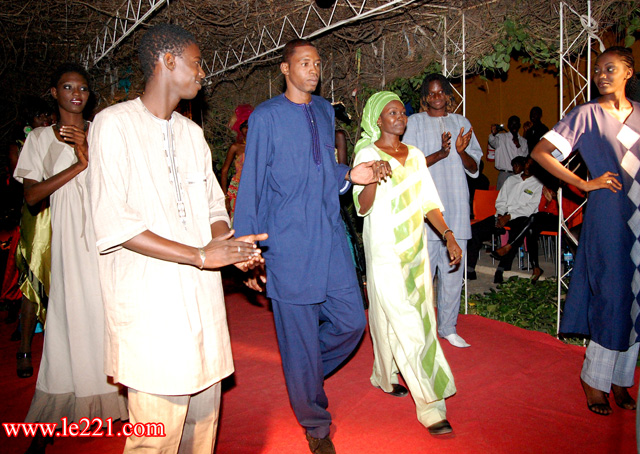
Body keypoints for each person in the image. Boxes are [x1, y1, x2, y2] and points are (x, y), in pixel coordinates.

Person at [88, 24, 266, 453]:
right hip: (151, 307)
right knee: (156, 440)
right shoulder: (113, 125)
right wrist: (202, 255)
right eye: (197, 63)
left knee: (200, 434)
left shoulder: (192, 134)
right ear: (167, 61)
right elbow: (116, 222)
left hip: (202, 304)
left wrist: (231, 249)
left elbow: (213, 208)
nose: (203, 73)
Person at [233, 39, 391, 454]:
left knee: (351, 322)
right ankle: (316, 425)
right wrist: (247, 250)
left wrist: (350, 174)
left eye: (317, 63)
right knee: (300, 335)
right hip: (286, 243)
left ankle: (302, 371)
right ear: (285, 69)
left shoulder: (323, 111)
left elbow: (323, 168)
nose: (313, 69)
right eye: (304, 63)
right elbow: (252, 185)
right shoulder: (266, 117)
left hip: (329, 235)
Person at [14, 63, 128, 452]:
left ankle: (125, 406)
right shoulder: (39, 139)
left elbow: (122, 187)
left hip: (105, 240)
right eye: (67, 87)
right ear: (54, 92)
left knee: (110, 318)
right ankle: (49, 418)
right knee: (66, 323)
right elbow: (32, 196)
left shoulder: (102, 131)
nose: (76, 94)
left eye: (82, 88)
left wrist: (90, 151)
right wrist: (79, 164)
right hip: (66, 246)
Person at [532, 46, 640, 416]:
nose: (602, 76)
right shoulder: (586, 115)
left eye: (611, 69)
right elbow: (541, 152)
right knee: (612, 294)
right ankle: (595, 379)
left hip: (639, 215)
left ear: (628, 72)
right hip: (608, 215)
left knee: (637, 296)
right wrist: (584, 182)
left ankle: (622, 378)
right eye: (598, 70)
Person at [353, 91, 460, 435]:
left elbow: (428, 202)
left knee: (396, 315)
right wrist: (372, 177)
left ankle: (383, 375)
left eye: (402, 112)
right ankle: (431, 405)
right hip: (385, 251)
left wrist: (448, 235)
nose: (400, 118)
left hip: (415, 251)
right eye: (392, 113)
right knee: (411, 325)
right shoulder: (367, 154)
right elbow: (362, 207)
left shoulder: (414, 155)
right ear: (377, 120)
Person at [403, 73, 482, 349]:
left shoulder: (462, 123)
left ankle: (448, 328)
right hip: (425, 212)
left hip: (456, 209)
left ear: (448, 95)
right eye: (431, 93)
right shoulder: (414, 123)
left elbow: (474, 168)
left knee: (452, 277)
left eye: (441, 92)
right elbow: (408, 166)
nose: (436, 97)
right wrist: (440, 153)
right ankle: (421, 331)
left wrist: (460, 152)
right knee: (422, 277)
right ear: (425, 97)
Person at [11, 97, 55, 379]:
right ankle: (25, 350)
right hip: (37, 216)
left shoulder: (61, 138)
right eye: (40, 117)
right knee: (33, 282)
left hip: (61, 214)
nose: (45, 121)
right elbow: (29, 186)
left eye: (48, 116)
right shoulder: (21, 145)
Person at [467, 156, 543, 284]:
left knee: (516, 234)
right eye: (527, 163)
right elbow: (501, 200)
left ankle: (501, 270)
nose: (528, 167)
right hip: (502, 215)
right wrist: (501, 215)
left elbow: (530, 208)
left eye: (532, 165)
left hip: (521, 217)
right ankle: (470, 269)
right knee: (475, 230)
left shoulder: (538, 184)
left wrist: (509, 216)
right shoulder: (511, 180)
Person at [221, 104, 253, 219]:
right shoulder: (236, 147)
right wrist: (225, 197)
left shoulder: (260, 146)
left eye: (249, 126)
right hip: (238, 189)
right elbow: (224, 171)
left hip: (255, 188)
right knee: (237, 220)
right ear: (239, 128)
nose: (247, 129)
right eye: (244, 126)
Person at [490, 115, 529, 190]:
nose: (514, 126)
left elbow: (523, 159)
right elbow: (492, 142)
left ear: (519, 125)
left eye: (516, 124)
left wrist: (518, 146)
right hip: (504, 174)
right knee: (502, 196)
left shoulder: (523, 141)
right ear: (508, 126)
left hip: (518, 175)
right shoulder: (501, 137)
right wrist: (493, 134)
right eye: (512, 124)